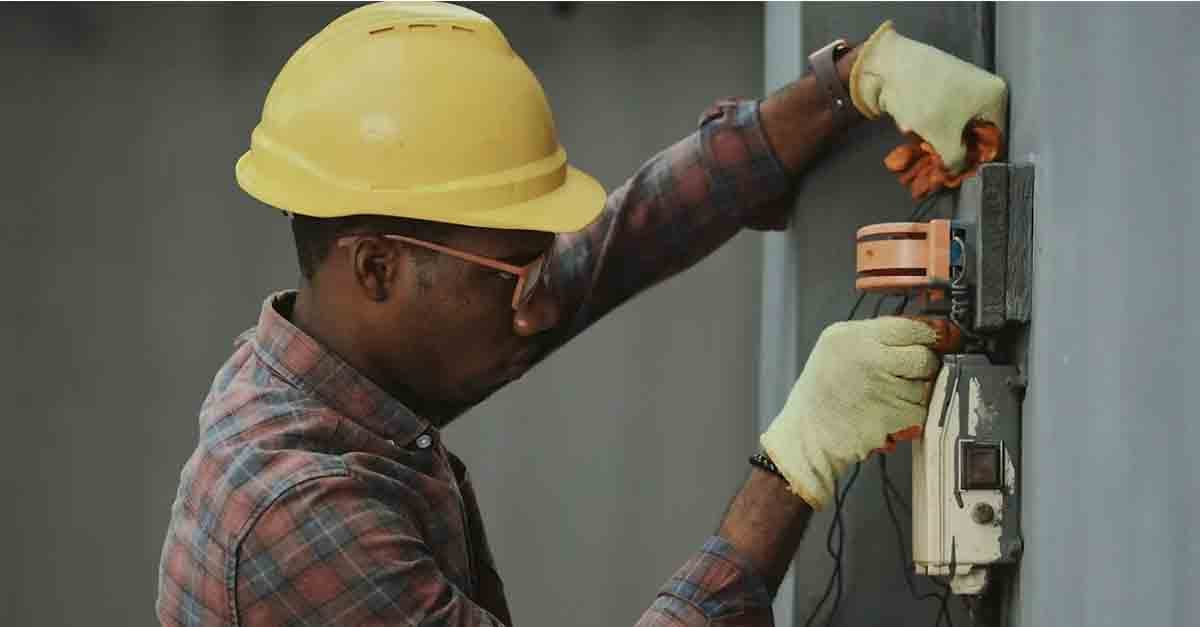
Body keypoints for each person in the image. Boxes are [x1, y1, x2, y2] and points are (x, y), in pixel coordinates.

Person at [156, 3, 1007, 625]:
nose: (534, 310)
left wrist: (853, 83)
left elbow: (620, 240)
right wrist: (794, 464)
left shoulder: (320, 366)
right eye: (510, 275)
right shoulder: (300, 516)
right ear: (379, 265)